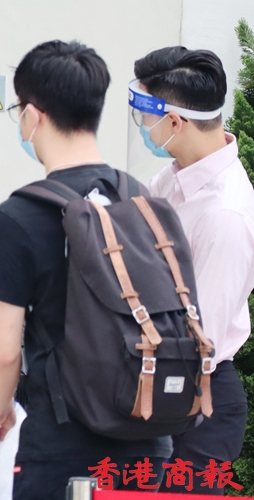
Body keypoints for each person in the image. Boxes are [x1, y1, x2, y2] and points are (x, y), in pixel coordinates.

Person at [0, 40, 172, 500]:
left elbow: (4, 351)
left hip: (61, 443)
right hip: (147, 433)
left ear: (33, 114)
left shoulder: (16, 216)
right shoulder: (143, 200)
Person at [134, 47, 254, 494]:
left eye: (144, 117)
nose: (142, 127)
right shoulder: (174, 178)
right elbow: (125, 224)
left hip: (199, 405)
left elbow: (201, 339)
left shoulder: (225, 215)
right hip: (164, 388)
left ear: (174, 121)